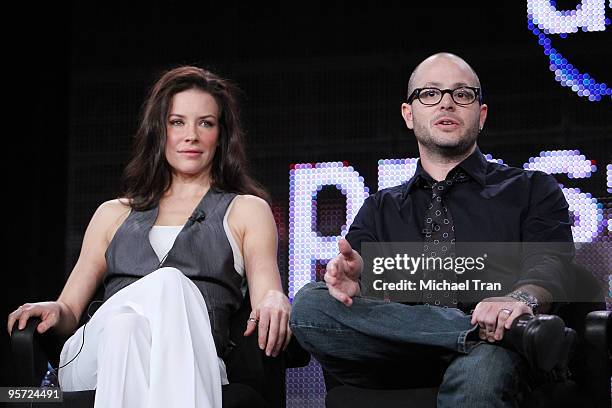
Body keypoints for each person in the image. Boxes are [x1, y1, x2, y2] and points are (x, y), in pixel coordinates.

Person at [289, 53, 576, 407]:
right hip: (403, 355)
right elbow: (357, 281)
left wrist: (519, 301)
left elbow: (551, 266)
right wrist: (356, 280)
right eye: (430, 94)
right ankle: (490, 334)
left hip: (499, 360)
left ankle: (500, 335)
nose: (446, 103)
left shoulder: (532, 188)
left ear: (481, 115)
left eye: (463, 94)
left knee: (482, 370)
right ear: (409, 115)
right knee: (308, 304)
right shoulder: (380, 208)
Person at [7, 66, 291, 408]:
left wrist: (274, 299)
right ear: (160, 131)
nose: (191, 135)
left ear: (222, 135)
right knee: (166, 285)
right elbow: (69, 309)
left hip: (194, 359)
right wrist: (54, 309)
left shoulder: (246, 210)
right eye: (177, 122)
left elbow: (266, 289)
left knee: (126, 329)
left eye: (206, 123)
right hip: (92, 361)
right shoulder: (113, 213)